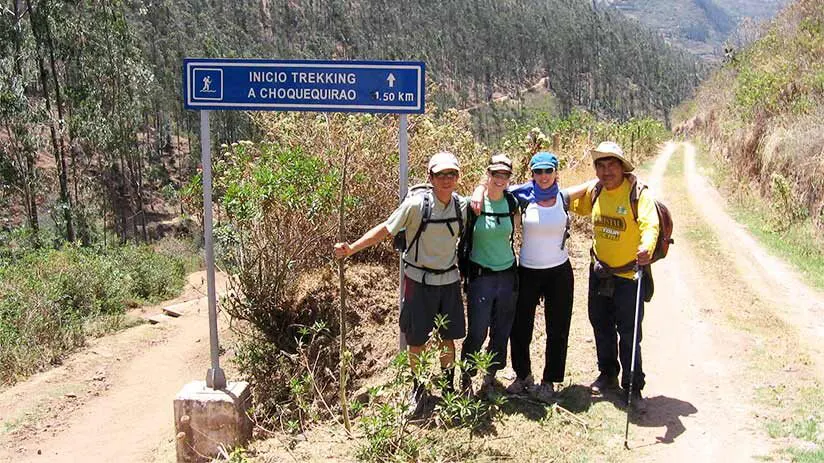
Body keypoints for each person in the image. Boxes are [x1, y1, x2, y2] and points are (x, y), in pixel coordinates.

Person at [334, 151, 468, 412]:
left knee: (447, 338)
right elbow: (386, 229)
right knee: (416, 340)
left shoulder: (461, 206)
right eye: (441, 174)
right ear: (430, 177)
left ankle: (449, 388)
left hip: (449, 280)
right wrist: (351, 249)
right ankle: (419, 389)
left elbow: (496, 195)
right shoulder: (416, 205)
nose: (447, 179)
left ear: (458, 177)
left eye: (451, 174)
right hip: (418, 281)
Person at [471, 151, 589, 402]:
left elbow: (593, 183)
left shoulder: (563, 198)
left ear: (556, 172)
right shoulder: (521, 197)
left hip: (559, 271)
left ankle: (549, 381)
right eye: (538, 171)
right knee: (520, 327)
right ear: (532, 174)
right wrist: (478, 190)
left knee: (557, 328)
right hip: (526, 271)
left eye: (549, 171)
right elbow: (494, 184)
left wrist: (630, 179)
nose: (544, 176)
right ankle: (523, 375)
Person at [569, 141, 659, 411]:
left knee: (630, 332)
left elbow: (650, 224)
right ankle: (608, 374)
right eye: (601, 166)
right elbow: (567, 201)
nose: (606, 171)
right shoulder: (595, 192)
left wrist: (646, 247)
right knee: (600, 323)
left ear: (622, 167)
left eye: (611, 165)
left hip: (629, 274)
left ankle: (633, 386)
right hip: (600, 272)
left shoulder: (636, 193)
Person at [458, 154, 519, 396]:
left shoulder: (513, 203)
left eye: (505, 175)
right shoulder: (473, 205)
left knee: (501, 329)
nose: (500, 179)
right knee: (477, 330)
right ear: (489, 174)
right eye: (496, 174)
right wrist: (478, 189)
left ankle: (490, 376)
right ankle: (467, 375)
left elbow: (543, 188)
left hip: (507, 274)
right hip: (480, 276)